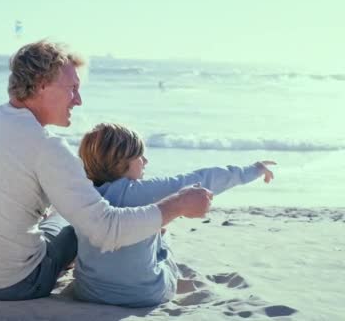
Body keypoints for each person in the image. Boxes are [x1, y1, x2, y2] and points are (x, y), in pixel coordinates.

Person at [0, 40, 214, 301]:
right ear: (40, 84)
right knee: (74, 220)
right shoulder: (47, 146)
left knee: (62, 211)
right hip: (13, 285)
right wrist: (177, 205)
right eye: (72, 88)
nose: (78, 100)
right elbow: (105, 230)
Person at [73, 123, 276, 307]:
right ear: (121, 162)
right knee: (162, 228)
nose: (146, 161)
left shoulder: (80, 194)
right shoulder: (144, 191)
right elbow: (203, 179)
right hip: (146, 294)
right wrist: (253, 170)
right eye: (139, 156)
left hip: (89, 292)